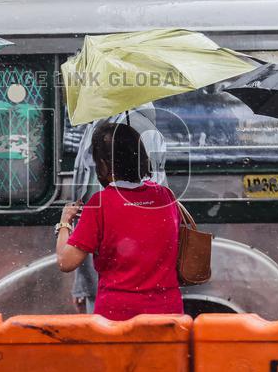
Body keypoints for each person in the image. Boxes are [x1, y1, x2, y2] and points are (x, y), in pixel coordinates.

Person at [55, 122, 182, 321]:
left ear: (104, 165)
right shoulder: (165, 196)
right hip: (167, 313)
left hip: (117, 314)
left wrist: (65, 223)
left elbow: (66, 261)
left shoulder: (100, 204)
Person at [69, 105, 168, 313]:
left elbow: (85, 209)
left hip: (117, 293)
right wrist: (83, 284)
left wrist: (63, 224)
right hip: (126, 287)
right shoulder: (99, 122)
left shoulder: (123, 129)